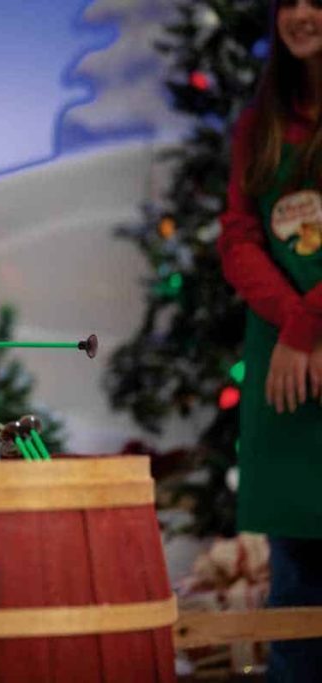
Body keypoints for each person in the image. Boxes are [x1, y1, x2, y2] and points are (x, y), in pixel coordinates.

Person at [218, 1, 322, 677]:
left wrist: (308, 327)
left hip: (300, 341)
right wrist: (293, 326)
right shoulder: (258, 124)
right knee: (296, 577)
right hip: (285, 362)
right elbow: (238, 234)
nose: (302, 12)